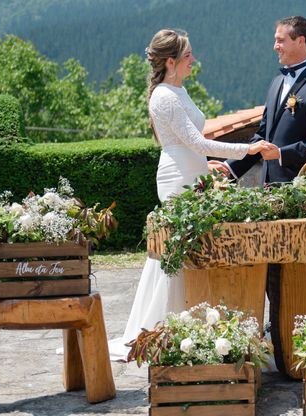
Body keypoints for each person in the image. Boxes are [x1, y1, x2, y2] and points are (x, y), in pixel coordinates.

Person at [108, 29, 275, 360]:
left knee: (189, 248)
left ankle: (184, 321)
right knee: (180, 250)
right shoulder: (165, 97)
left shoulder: (176, 91)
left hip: (191, 173)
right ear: (171, 62)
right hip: (177, 179)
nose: (193, 60)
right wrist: (249, 149)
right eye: (188, 56)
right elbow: (196, 142)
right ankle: (169, 325)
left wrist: (206, 165)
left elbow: (194, 144)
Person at [224, 16, 306, 371]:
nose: (275, 45)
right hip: (267, 193)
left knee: (293, 275)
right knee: (268, 270)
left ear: (300, 41)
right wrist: (228, 171)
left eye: (280, 40)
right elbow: (261, 137)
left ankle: (296, 346)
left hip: (297, 193)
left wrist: (285, 154)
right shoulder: (276, 82)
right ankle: (278, 344)